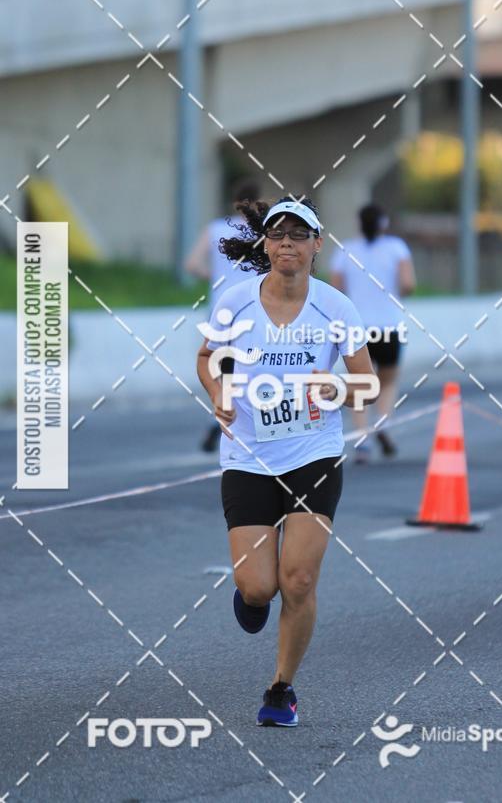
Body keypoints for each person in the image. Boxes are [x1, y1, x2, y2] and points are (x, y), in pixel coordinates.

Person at [196, 196, 377, 727]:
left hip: (313, 454)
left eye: (299, 236)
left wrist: (335, 387)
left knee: (297, 581)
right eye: (278, 235)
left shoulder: (336, 308)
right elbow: (208, 360)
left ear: (318, 246)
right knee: (260, 587)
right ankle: (251, 597)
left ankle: (281, 689)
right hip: (248, 456)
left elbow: (366, 387)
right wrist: (218, 390)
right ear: (266, 244)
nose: (287, 245)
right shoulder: (234, 301)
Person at [330, 203, 416, 463]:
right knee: (387, 381)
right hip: (389, 327)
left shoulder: (345, 250)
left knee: (358, 384)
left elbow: (336, 291)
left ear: (359, 223)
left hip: (358, 328)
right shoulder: (396, 248)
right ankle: (382, 424)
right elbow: (408, 284)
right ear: (383, 223)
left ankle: (362, 438)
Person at [186, 179, 260, 452]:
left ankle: (217, 418)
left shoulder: (216, 229)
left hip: (220, 308)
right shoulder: (260, 233)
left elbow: (192, 263)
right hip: (252, 308)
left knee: (222, 369)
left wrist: (214, 276)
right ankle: (232, 422)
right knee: (250, 369)